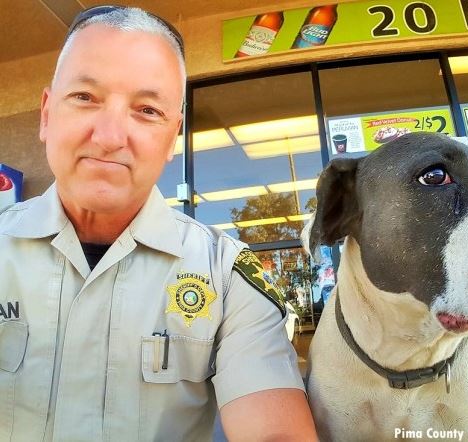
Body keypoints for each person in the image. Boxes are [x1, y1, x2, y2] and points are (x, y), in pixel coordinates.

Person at [0, 6, 317, 441]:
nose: (110, 137)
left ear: (174, 136)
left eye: (147, 110)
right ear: (46, 114)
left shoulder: (227, 277)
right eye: (85, 97)